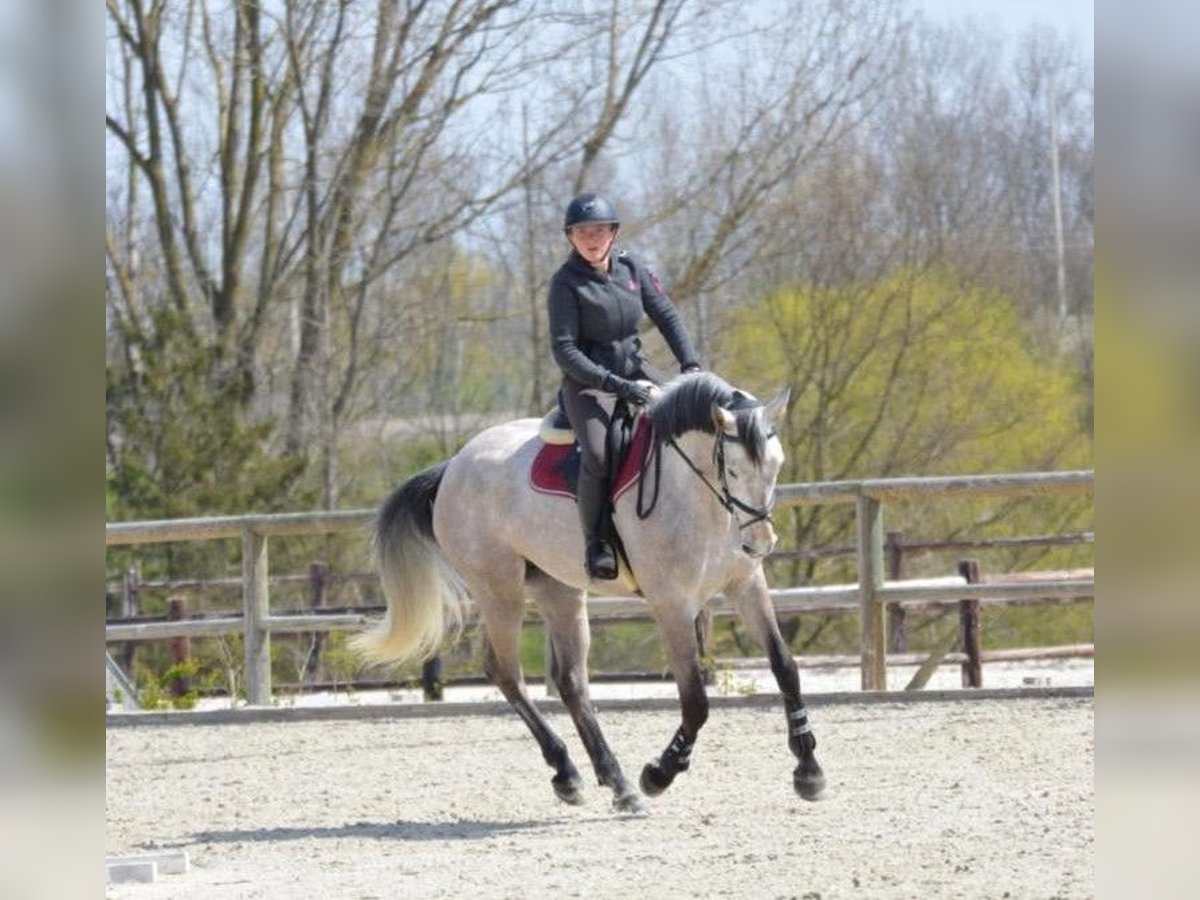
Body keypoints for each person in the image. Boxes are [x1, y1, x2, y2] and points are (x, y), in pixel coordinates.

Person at [548, 192, 701, 580]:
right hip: (589, 384)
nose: (591, 238)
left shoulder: (633, 268)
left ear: (613, 233)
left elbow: (665, 314)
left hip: (638, 370)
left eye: (599, 230)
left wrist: (690, 365)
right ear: (571, 238)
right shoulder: (565, 284)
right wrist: (613, 383)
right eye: (582, 232)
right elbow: (564, 350)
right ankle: (597, 541)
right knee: (598, 455)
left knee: (697, 417)